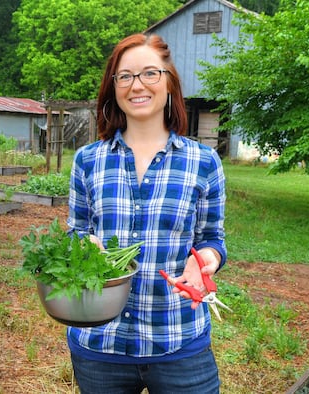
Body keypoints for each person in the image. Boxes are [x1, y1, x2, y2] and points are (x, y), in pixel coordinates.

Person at [66, 32, 227, 393]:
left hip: (178, 340)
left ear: (169, 83)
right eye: (125, 76)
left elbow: (212, 239)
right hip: (99, 343)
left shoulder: (203, 162)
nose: (137, 85)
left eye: (150, 73)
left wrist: (204, 263)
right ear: (114, 87)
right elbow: (75, 232)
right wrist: (83, 248)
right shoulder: (88, 161)